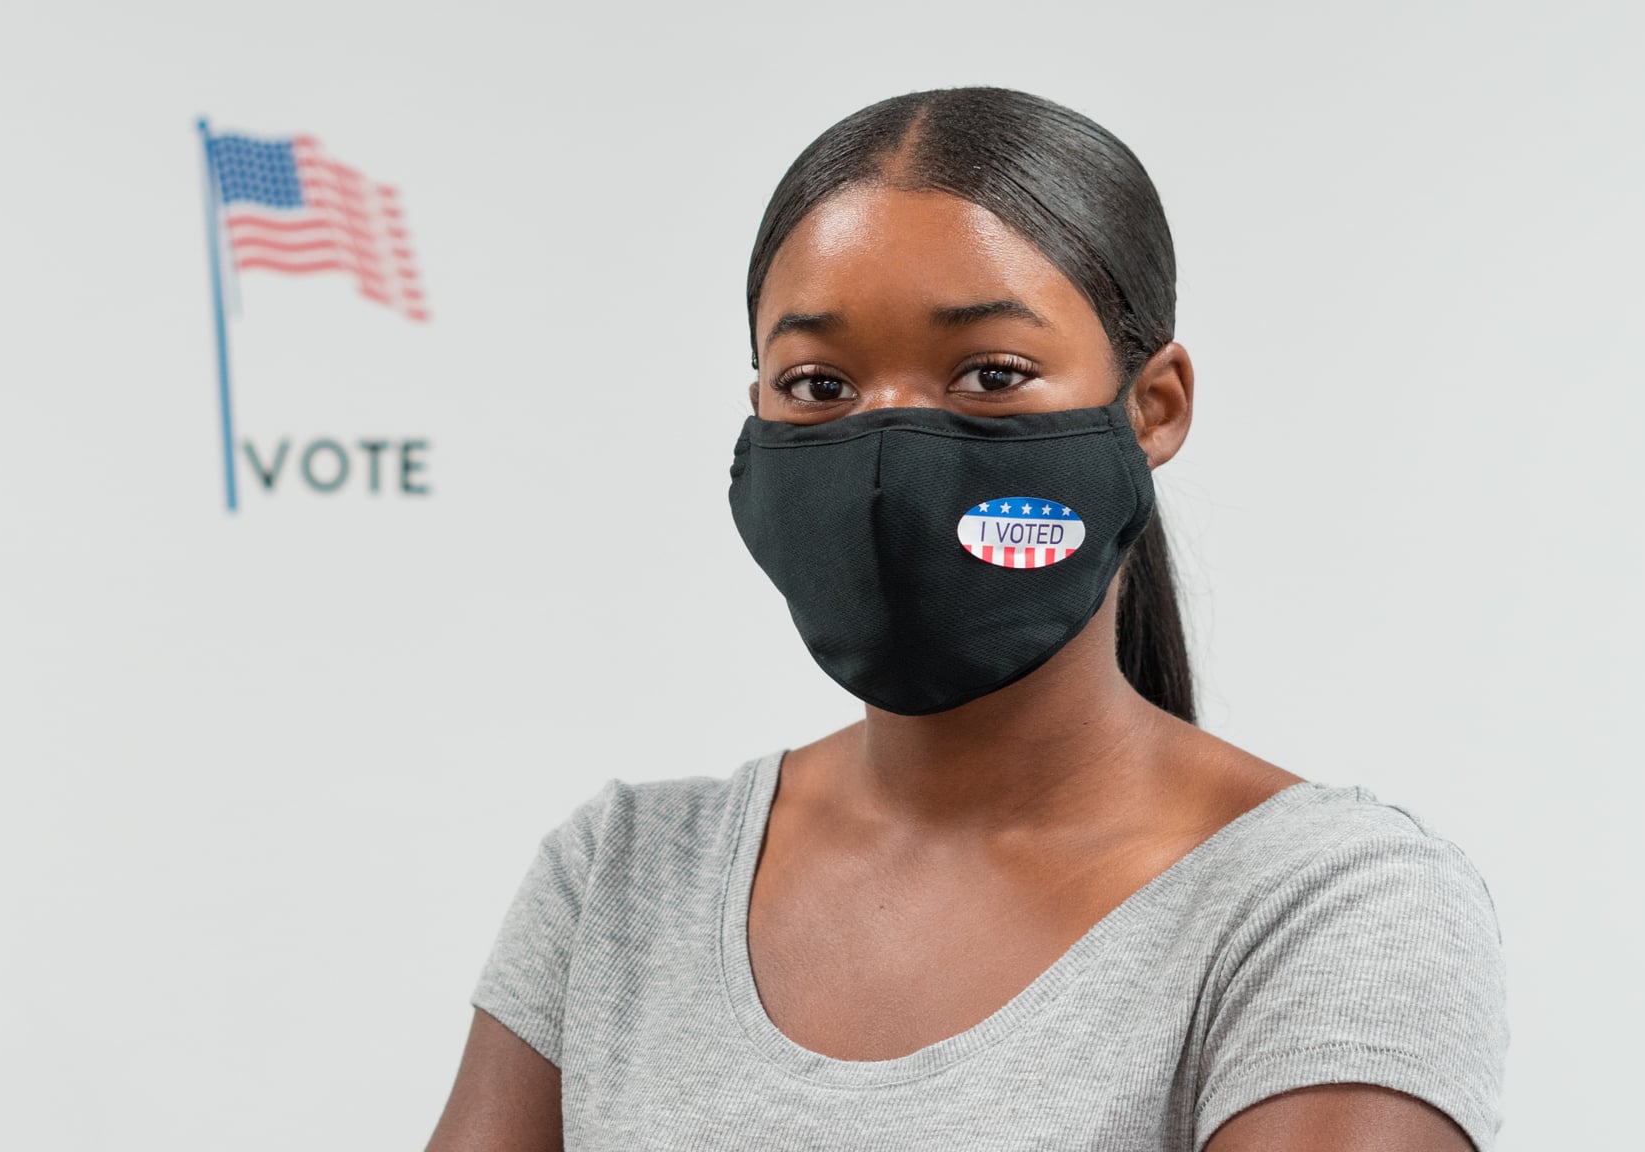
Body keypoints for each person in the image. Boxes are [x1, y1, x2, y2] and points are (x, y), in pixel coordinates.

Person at [426, 86, 1508, 1152]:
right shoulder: (621, 878)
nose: (890, 454)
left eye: (991, 374)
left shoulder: (1327, 909)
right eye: (816, 385)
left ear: (1153, 406)